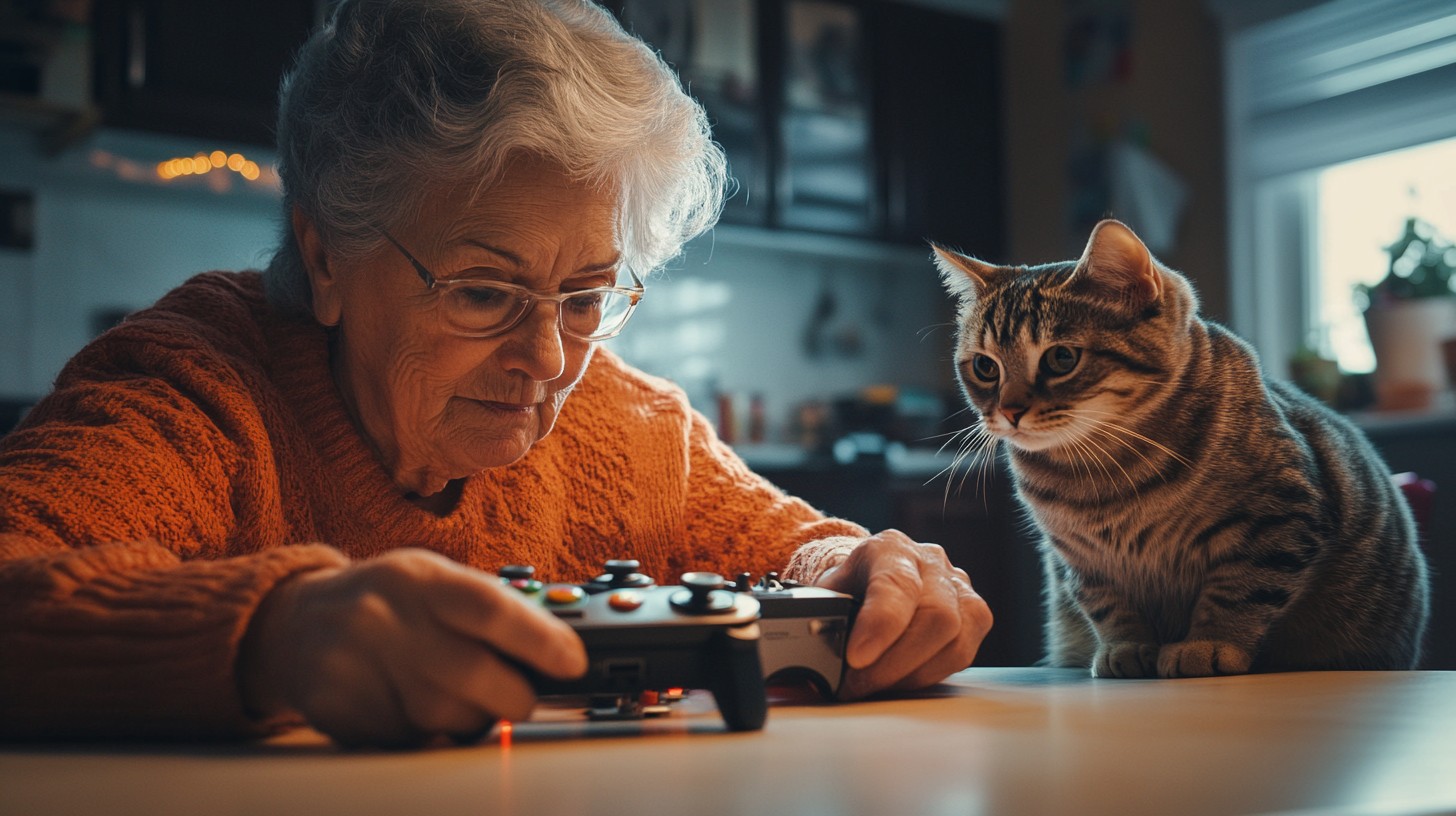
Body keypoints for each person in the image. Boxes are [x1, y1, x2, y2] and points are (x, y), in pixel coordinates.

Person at [0, 0, 991, 748]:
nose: (552, 360)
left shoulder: (629, 428)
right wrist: (270, 634)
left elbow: (797, 550)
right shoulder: (199, 393)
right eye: (482, 291)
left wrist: (862, 573)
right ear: (327, 257)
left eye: (587, 294)